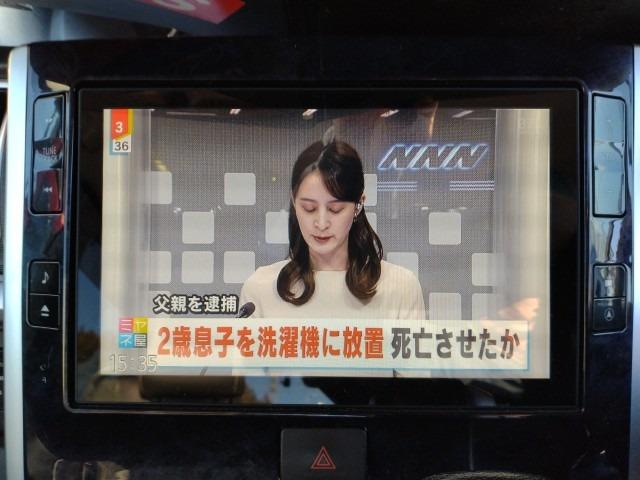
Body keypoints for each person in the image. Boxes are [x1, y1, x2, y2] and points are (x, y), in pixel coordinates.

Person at [240, 140, 425, 320]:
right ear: (294, 202)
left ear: (359, 204)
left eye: (335, 209)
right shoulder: (260, 289)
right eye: (309, 208)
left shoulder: (401, 288)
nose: (321, 224)